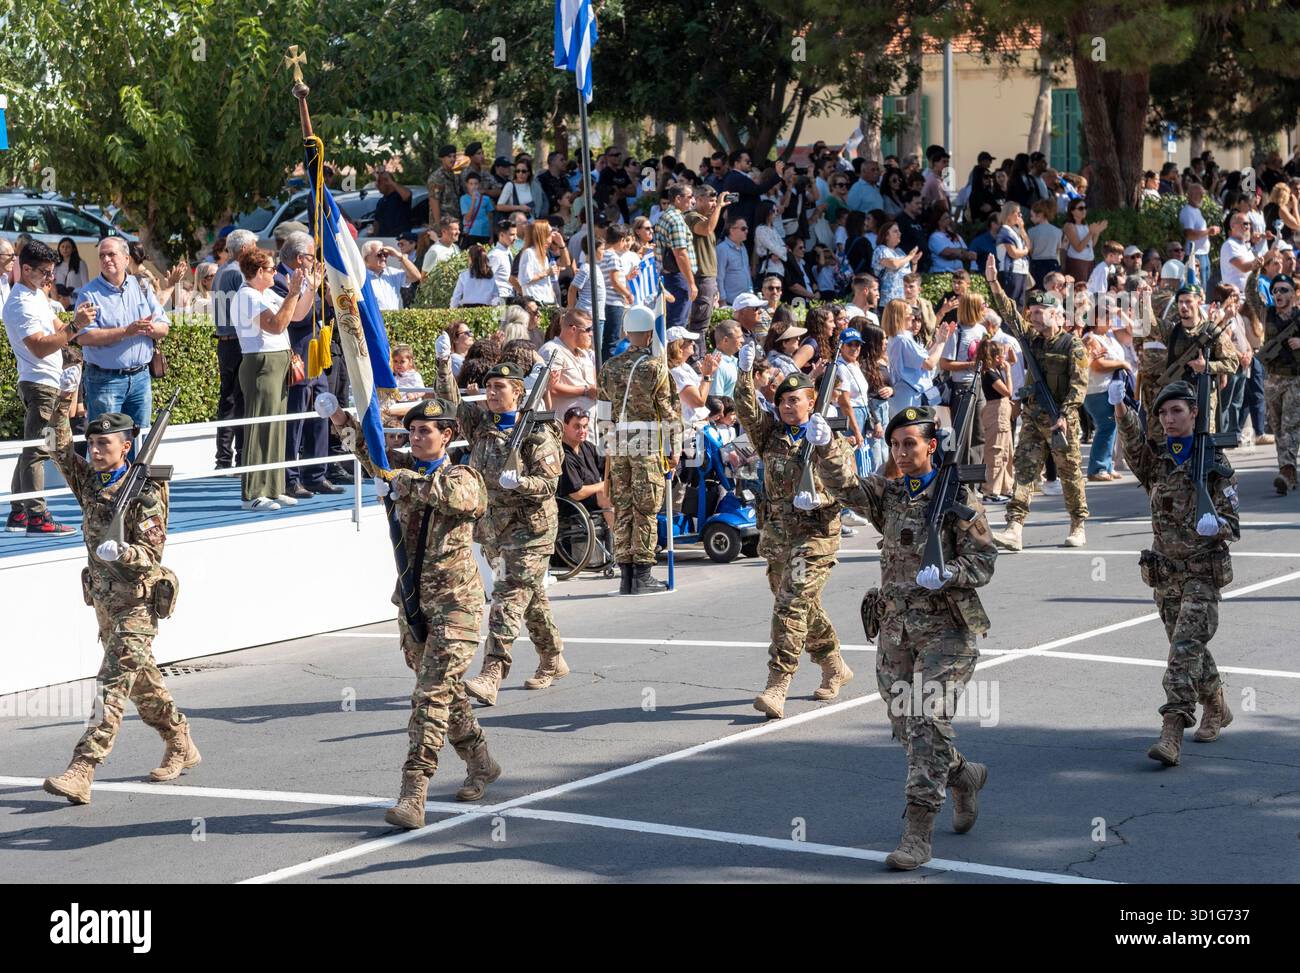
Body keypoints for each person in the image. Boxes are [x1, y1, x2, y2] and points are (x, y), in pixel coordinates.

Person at [320, 395, 499, 825]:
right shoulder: (405, 469)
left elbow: (457, 499)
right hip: (415, 605)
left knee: (429, 695)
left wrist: (400, 482)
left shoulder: (462, 475)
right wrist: (341, 419)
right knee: (445, 692)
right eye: (413, 431)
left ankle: (413, 792)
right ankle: (481, 761)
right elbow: (373, 453)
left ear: (447, 436)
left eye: (426, 432)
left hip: (457, 607)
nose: (416, 437)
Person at [40, 402, 198, 806]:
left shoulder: (145, 493)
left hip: (137, 606)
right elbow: (58, 448)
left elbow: (151, 556)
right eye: (91, 442)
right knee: (143, 684)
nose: (94, 450)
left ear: (126, 446)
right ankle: (179, 739)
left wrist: (123, 553)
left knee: (110, 684)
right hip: (105, 605)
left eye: (103, 444)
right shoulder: (91, 482)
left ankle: (83, 768)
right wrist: (63, 397)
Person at [1113, 381, 1240, 767]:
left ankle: (1171, 731)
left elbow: (1233, 524)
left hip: (1202, 574)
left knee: (1182, 652)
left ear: (1194, 413)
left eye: (1177, 412)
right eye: (1164, 413)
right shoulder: (1159, 461)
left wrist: (1214, 524)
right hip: (1166, 575)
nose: (1169, 419)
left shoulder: (1215, 462)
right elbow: (1134, 450)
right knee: (1187, 649)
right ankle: (1217, 705)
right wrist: (1121, 411)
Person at [433, 345, 569, 703]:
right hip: (494, 529)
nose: (492, 393)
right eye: (489, 387)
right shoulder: (482, 425)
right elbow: (451, 405)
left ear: (519, 393)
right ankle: (552, 657)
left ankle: (492, 672)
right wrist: (443, 366)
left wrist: (521, 482)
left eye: (500, 388)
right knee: (529, 596)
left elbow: (548, 484)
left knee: (507, 597)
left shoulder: (537, 433)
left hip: (532, 530)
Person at [734, 358, 859, 720]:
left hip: (816, 536)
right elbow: (745, 408)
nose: (787, 406)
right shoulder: (770, 435)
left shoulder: (828, 438)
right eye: (783, 400)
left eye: (796, 400)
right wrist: (743, 374)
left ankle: (778, 684)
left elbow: (850, 486)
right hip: (778, 537)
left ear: (812, 402)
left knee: (790, 604)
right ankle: (834, 663)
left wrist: (823, 497)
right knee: (803, 604)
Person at [985, 258, 1091, 550]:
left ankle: (1077, 523)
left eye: (1039, 311)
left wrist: (1066, 415)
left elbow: (1078, 385)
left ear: (1056, 314)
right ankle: (1014, 526)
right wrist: (993, 282)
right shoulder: (1030, 339)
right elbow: (1008, 312)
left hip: (1061, 420)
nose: (1032, 316)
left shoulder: (1072, 345)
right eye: (1031, 311)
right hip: (1034, 417)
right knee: (1025, 470)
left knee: (1069, 473)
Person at [4, 241, 89, 535]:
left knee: (33, 448)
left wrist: (75, 326)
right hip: (38, 382)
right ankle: (36, 516)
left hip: (47, 381)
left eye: (52, 272)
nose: (50, 278)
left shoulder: (36, 295)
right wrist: (74, 327)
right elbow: (41, 347)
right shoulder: (19, 304)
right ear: (25, 269)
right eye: (44, 272)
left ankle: (18, 512)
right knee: (38, 450)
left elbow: (58, 329)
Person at [596, 305, 681, 594]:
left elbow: (603, 411)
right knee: (646, 508)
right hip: (647, 444)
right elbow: (668, 412)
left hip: (618, 444)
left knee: (624, 508)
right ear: (649, 334)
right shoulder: (655, 367)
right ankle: (643, 574)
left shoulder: (609, 367)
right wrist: (676, 448)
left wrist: (606, 445)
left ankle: (627, 575)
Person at [75, 237, 168, 441]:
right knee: (106, 442)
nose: (106, 259)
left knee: (139, 441)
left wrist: (149, 328)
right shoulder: (88, 294)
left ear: (126, 259)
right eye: (102, 255)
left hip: (141, 379)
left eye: (111, 254)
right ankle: (109, 476)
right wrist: (127, 331)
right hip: (105, 380)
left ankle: (133, 475)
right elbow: (84, 337)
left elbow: (164, 328)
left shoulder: (142, 287)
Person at [234, 248, 304, 511]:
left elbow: (296, 315)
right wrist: (294, 292)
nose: (276, 272)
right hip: (260, 363)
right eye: (272, 269)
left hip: (277, 362)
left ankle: (274, 488)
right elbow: (276, 325)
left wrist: (306, 290)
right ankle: (252, 493)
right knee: (259, 426)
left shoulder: (266, 293)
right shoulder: (248, 295)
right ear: (259, 272)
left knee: (276, 426)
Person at [274, 233, 340, 500]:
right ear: (301, 258)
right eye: (313, 257)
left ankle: (316, 474)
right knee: (295, 420)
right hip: (296, 357)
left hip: (315, 356)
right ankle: (290, 478)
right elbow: (295, 319)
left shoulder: (310, 279)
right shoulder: (279, 280)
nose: (316, 263)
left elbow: (323, 311)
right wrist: (310, 288)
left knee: (321, 413)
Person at [1246, 265, 1300, 493]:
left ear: (1294, 294)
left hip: (1295, 380)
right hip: (1272, 379)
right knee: (1278, 429)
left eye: (1284, 290)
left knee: (1290, 426)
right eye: (1276, 290)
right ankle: (1288, 471)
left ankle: (1286, 471)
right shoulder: (1267, 312)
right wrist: (1256, 269)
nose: (1279, 294)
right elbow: (1250, 293)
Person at [558, 405, 614, 532]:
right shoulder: (564, 455)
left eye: (585, 426)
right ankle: (619, 541)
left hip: (590, 500)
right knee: (605, 496)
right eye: (577, 426)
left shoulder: (586, 447)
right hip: (572, 505)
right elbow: (577, 494)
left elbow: (606, 466)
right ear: (565, 427)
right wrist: (603, 485)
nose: (582, 430)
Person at [655, 184, 698, 328]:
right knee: (677, 326)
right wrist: (691, 283)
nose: (693, 200)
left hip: (671, 277)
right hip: (677, 278)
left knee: (673, 323)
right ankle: (673, 351)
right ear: (678, 199)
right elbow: (680, 254)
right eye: (690, 196)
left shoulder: (667, 215)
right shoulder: (676, 220)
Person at [979, 338, 1015, 500]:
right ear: (995, 357)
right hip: (996, 412)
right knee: (996, 451)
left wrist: (1008, 353)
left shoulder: (994, 370)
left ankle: (1005, 487)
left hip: (1002, 412)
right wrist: (1007, 372)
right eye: (1001, 355)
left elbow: (1013, 360)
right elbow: (1007, 391)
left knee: (1007, 451)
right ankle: (990, 490)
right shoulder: (990, 374)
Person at [547, 308, 599, 419]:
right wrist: (585, 391)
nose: (591, 334)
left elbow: (594, 384)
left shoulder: (584, 353)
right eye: (588, 329)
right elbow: (551, 388)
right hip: (565, 428)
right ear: (573, 329)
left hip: (587, 428)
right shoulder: (552, 350)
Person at [518, 219, 571, 306]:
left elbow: (566, 263)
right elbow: (524, 279)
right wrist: (546, 273)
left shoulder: (545, 254)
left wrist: (562, 244)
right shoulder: (529, 253)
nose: (553, 235)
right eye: (550, 233)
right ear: (542, 235)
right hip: (537, 302)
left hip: (548, 301)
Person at [362, 241, 422, 311]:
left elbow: (416, 277)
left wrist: (400, 256)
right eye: (379, 255)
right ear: (366, 259)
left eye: (385, 254)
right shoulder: (361, 277)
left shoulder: (391, 272)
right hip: (374, 321)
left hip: (393, 320)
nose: (383, 258)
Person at [53, 237, 87, 310]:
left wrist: (70, 299)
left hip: (75, 301)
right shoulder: (55, 265)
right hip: (59, 301)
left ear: (73, 249)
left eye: (68, 247)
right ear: (59, 248)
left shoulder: (80, 264)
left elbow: (85, 285)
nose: (65, 249)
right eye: (62, 247)